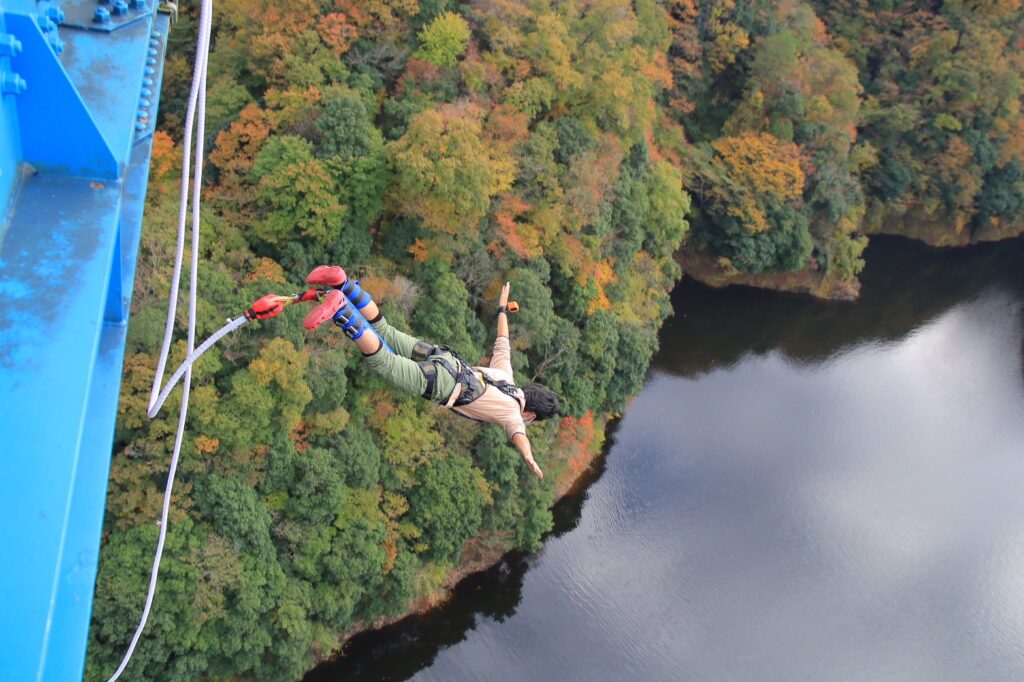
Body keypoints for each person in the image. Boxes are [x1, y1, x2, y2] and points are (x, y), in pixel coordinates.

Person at [302, 266, 560, 478]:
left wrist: (503, 309)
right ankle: (343, 311)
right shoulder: (513, 415)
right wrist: (528, 456)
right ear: (532, 414)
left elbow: (503, 339)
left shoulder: (507, 377)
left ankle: (344, 284)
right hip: (443, 384)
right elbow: (518, 435)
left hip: (446, 358)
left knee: (386, 331)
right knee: (384, 362)